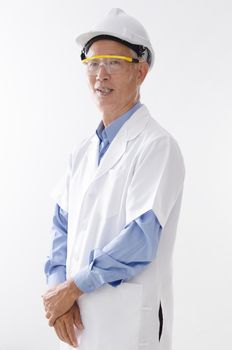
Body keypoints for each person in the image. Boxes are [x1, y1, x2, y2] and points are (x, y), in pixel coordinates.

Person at [42, 8, 185, 350]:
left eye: (113, 63)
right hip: (76, 323)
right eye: (92, 63)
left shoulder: (157, 146)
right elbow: (61, 228)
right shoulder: (81, 153)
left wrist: (72, 288)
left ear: (141, 71)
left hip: (128, 325)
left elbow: (140, 239)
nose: (100, 75)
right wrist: (56, 293)